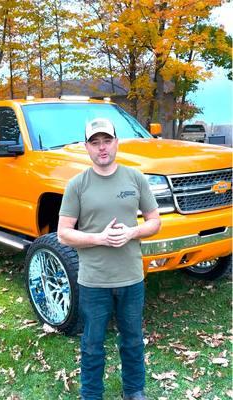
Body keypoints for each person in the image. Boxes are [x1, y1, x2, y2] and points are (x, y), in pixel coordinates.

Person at [57, 118, 161, 400]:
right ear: (87, 147)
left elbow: (155, 222)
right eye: (95, 142)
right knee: (92, 344)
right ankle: (91, 394)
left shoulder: (135, 178)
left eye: (107, 141)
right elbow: (64, 234)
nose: (102, 148)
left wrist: (132, 232)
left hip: (131, 277)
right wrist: (98, 238)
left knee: (133, 341)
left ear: (116, 142)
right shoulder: (77, 185)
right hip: (93, 281)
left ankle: (134, 391)